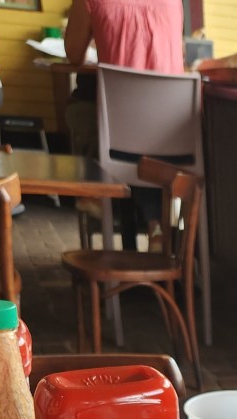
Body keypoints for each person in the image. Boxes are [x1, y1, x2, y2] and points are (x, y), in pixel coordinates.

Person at [63, 0, 183, 249]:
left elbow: (74, 54)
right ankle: (156, 226)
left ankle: (98, 185)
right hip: (175, 135)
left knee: (86, 114)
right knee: (144, 139)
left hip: (122, 138)